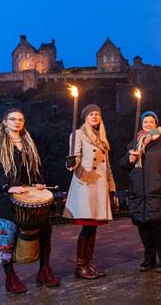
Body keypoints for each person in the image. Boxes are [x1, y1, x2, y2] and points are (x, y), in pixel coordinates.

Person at [0, 108, 60, 294]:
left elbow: (36, 168)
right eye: (12, 119)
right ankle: (10, 277)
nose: (17, 122)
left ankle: (44, 270)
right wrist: (6, 187)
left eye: (20, 119)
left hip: (30, 196)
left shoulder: (28, 143)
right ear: (5, 122)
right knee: (7, 238)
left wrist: (39, 183)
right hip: (7, 199)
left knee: (45, 231)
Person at [120, 111, 161, 273]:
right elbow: (124, 164)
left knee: (158, 227)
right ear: (141, 124)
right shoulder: (135, 143)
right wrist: (130, 160)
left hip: (157, 190)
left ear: (156, 124)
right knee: (144, 228)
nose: (148, 125)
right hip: (139, 192)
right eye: (145, 122)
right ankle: (149, 259)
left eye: (151, 122)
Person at [64, 104, 116, 280]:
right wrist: (71, 162)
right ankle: (80, 266)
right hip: (86, 185)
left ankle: (89, 263)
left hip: (99, 187)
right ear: (85, 117)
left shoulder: (102, 138)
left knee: (93, 228)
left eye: (97, 114)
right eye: (91, 114)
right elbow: (75, 158)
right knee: (87, 228)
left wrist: (111, 185)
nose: (95, 116)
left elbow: (107, 166)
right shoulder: (78, 134)